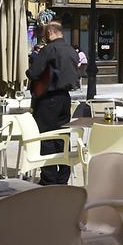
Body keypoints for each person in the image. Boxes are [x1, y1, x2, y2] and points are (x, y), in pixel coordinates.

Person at [26, 20, 79, 185]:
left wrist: (32, 64)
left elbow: (34, 73)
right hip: (65, 98)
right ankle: (63, 177)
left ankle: (49, 179)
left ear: (49, 33)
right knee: (63, 137)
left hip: (48, 100)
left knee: (46, 138)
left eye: (44, 34)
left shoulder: (49, 49)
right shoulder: (71, 50)